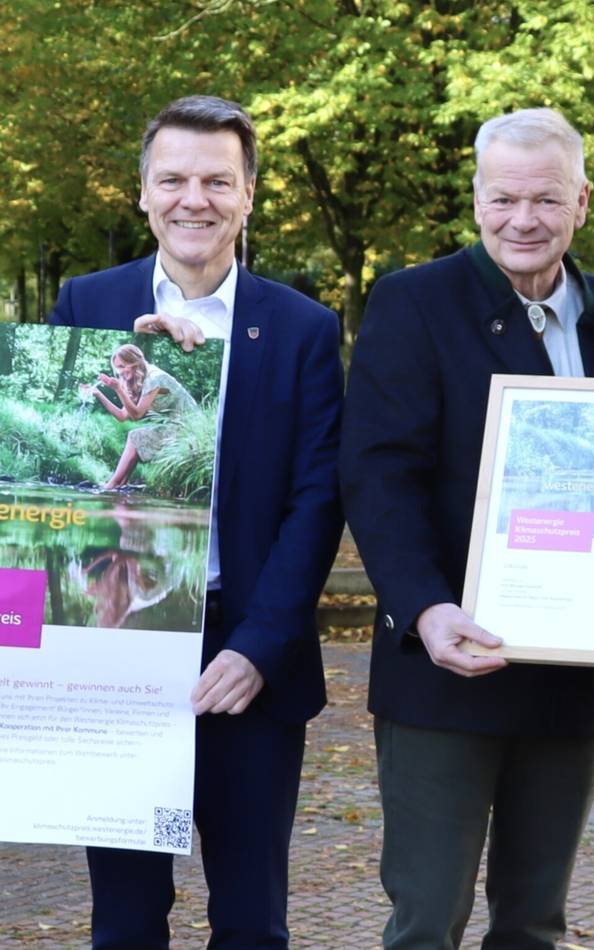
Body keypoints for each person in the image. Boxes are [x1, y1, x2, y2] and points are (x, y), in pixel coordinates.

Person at [50, 95, 344, 949]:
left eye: (218, 180)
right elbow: (64, 449)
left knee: (252, 922)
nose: (194, 199)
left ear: (249, 195)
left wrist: (259, 646)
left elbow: (317, 498)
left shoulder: (301, 328)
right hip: (119, 645)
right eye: (172, 178)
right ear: (142, 192)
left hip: (248, 650)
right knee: (128, 922)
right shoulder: (85, 303)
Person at [340, 108, 594, 949]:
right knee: (429, 916)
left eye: (546, 199)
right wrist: (424, 608)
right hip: (447, 666)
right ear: (476, 199)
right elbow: (377, 473)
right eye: (503, 199)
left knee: (536, 922)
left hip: (573, 676)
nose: (524, 220)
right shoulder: (413, 301)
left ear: (582, 200)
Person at [86, 342, 198, 489]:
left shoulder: (154, 378)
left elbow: (137, 414)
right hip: (176, 427)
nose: (119, 372)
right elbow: (122, 416)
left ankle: (112, 485)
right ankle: (120, 484)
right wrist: (98, 394)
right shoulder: (137, 380)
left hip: (190, 429)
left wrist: (119, 389)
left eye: (122, 366)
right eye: (117, 368)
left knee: (135, 437)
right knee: (136, 437)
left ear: (134, 362)